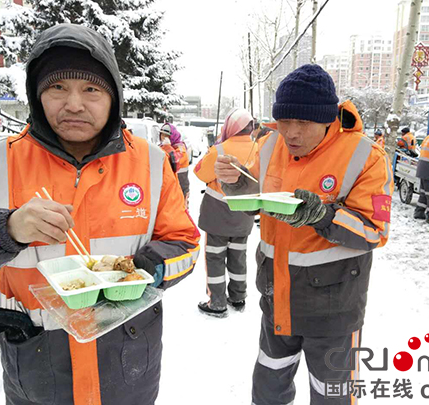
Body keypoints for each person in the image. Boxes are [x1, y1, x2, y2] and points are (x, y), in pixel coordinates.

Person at [0, 24, 200, 405]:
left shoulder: (150, 162)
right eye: (57, 88)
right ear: (37, 94)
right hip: (36, 367)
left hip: (129, 365)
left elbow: (187, 245)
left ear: (113, 96)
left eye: (91, 89)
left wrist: (149, 268)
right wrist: (6, 231)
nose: (75, 104)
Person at [215, 64, 393, 405]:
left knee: (332, 395)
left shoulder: (366, 155)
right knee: (268, 389)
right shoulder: (270, 146)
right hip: (275, 299)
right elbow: (257, 200)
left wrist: (322, 215)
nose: (291, 133)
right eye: (284, 121)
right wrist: (235, 183)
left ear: (327, 119)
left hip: (334, 308)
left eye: (303, 123)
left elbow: (375, 231)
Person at [193, 108, 258, 317]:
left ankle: (217, 302)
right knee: (239, 256)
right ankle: (238, 297)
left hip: (217, 215)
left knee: (215, 257)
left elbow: (200, 173)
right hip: (244, 215)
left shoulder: (219, 150)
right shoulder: (258, 148)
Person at [161, 122, 190, 207]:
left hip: (181, 187)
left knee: (180, 211)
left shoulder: (180, 148)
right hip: (168, 187)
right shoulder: (162, 146)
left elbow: (176, 160)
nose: (163, 138)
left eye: (166, 136)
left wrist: (167, 147)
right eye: (162, 135)